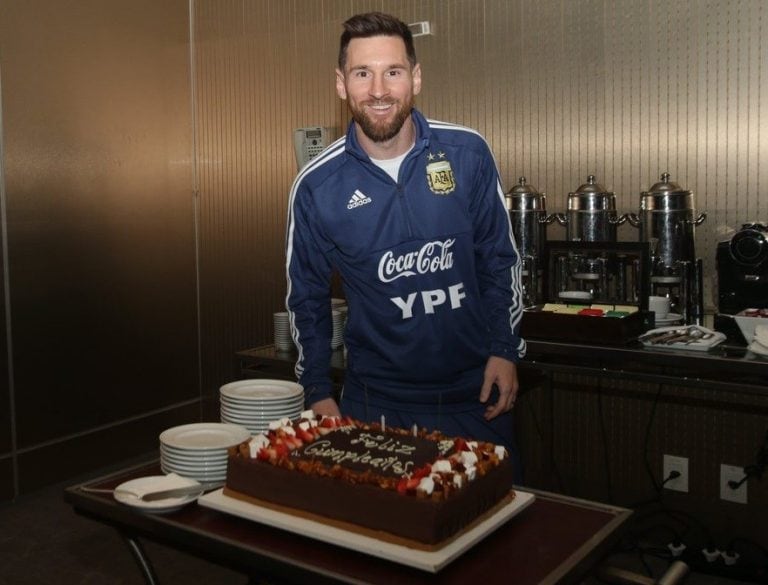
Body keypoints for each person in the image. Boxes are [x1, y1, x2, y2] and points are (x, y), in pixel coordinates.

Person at [285, 11, 526, 475]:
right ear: (341, 84)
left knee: (494, 534)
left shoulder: (467, 153)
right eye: (362, 73)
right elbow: (306, 299)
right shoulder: (316, 186)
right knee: (380, 539)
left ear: (415, 78)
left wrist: (504, 347)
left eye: (392, 72)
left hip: (476, 397)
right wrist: (316, 390)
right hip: (376, 403)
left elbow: (499, 260)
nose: (378, 90)